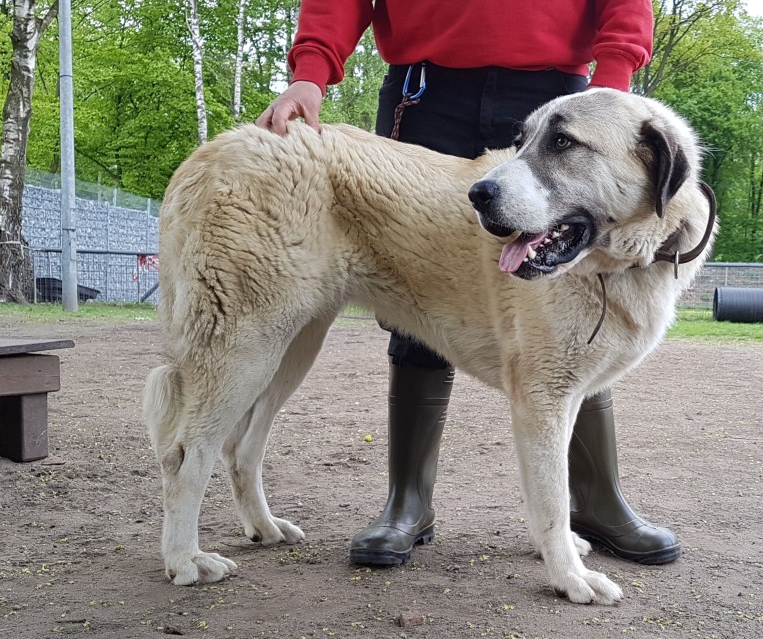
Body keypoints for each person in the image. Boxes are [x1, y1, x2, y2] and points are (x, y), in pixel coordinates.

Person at [256, 0, 682, 568]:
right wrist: (311, 70)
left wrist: (613, 90)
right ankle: (407, 501)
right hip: (428, 93)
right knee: (416, 287)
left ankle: (597, 501)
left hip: (563, 97)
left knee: (584, 300)